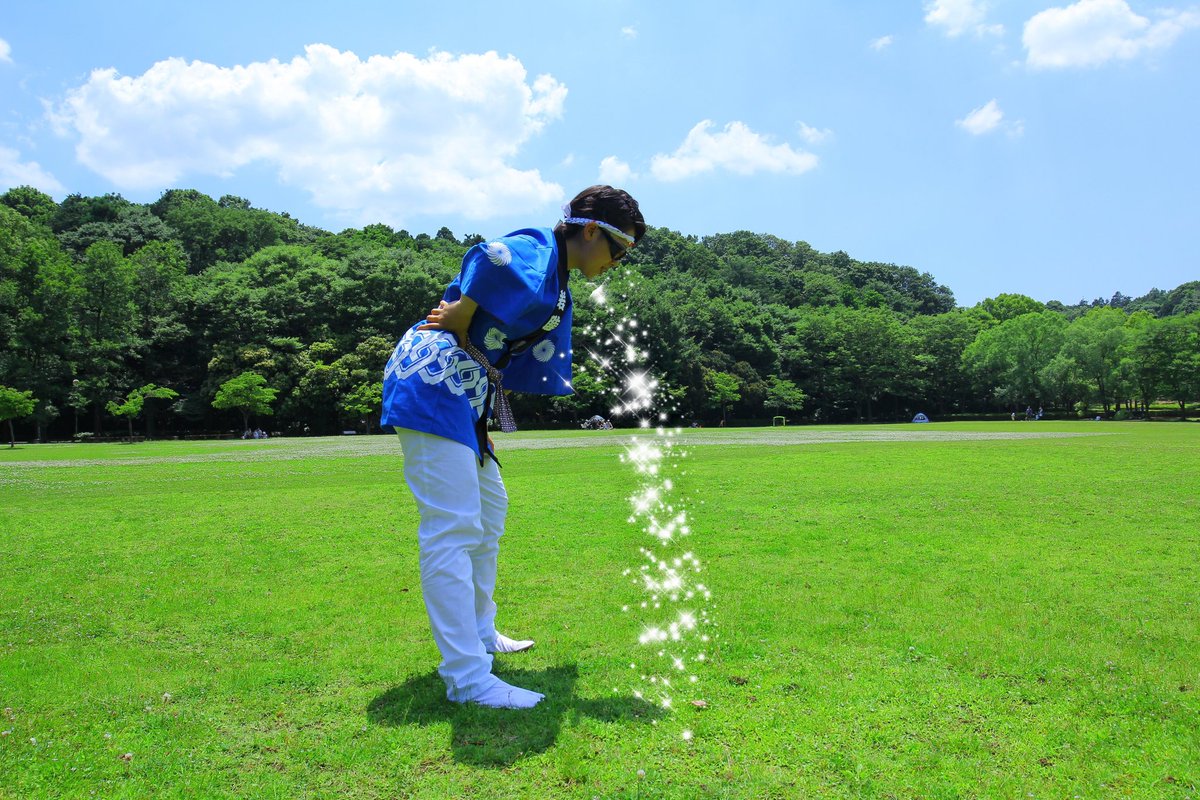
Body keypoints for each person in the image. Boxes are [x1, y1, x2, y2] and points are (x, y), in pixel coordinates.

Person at [381, 186, 646, 709]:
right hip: (433, 378)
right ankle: (467, 678)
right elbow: (490, 256)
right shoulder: (538, 246)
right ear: (590, 230)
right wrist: (464, 310)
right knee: (452, 527)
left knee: (490, 512)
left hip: (465, 392)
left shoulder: (557, 275)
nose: (618, 263)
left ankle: (481, 633)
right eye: (619, 250)